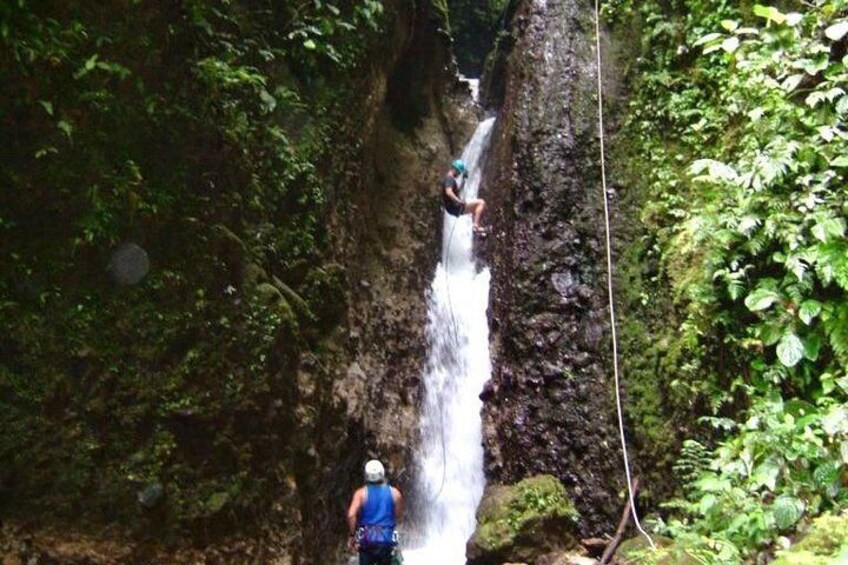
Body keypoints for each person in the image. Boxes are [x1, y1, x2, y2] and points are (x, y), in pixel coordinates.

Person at [347, 459, 404, 565]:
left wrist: (352, 535)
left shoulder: (361, 494)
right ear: (382, 473)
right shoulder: (395, 493)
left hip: (367, 539)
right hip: (386, 539)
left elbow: (351, 515)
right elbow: (398, 514)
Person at [441, 159, 487, 234]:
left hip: (451, 208)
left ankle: (476, 228)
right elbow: (449, 192)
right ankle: (475, 226)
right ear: (454, 169)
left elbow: (457, 192)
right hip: (455, 206)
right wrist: (458, 201)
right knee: (481, 202)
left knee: (475, 209)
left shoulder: (448, 179)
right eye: (459, 172)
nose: (459, 174)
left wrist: (463, 181)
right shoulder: (449, 179)